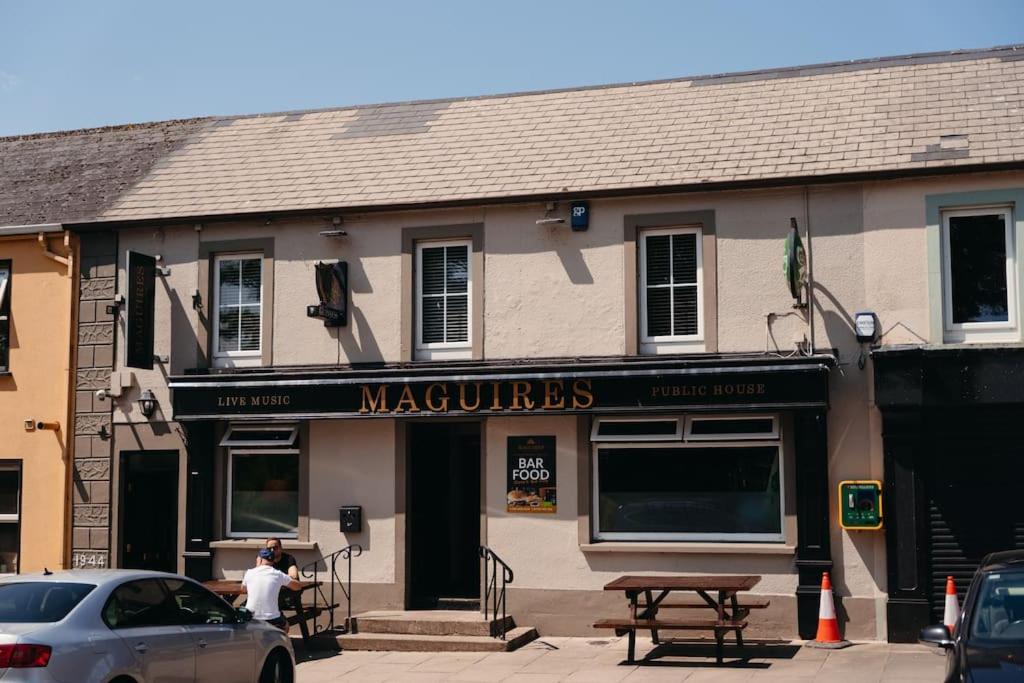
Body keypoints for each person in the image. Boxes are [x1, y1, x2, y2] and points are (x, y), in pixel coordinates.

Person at [241, 548, 302, 631]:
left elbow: (243, 590)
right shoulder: (278, 574)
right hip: (272, 618)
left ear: (260, 559)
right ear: (272, 561)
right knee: (286, 625)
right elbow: (298, 587)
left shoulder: (249, 572)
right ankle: (282, 642)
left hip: (251, 617)